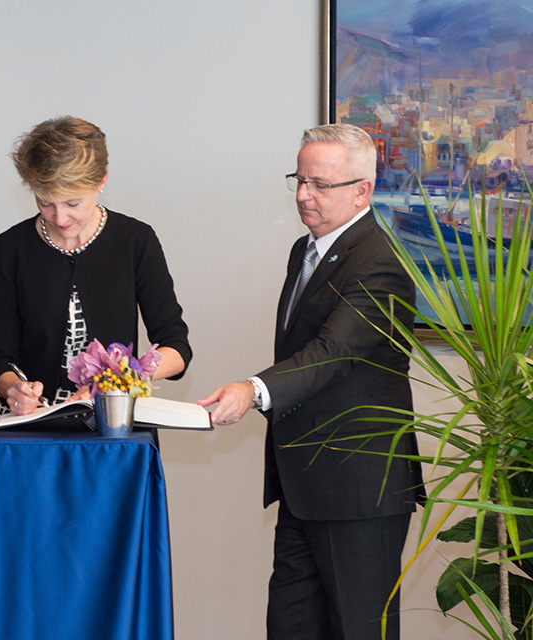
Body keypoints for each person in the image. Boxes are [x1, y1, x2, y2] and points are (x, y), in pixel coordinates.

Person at [198, 123, 423, 640]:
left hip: (358, 489)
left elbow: (333, 352)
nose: (304, 195)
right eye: (299, 180)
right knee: (292, 628)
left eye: (321, 184)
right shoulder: (307, 249)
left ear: (362, 190)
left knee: (358, 631)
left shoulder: (381, 263)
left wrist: (252, 390)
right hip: (304, 485)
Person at [0, 116, 191, 415]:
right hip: (31, 422)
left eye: (72, 203)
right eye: (45, 203)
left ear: (102, 181)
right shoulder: (9, 249)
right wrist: (12, 388)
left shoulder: (134, 240)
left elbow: (176, 348)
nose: (60, 218)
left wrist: (118, 382)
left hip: (113, 420)